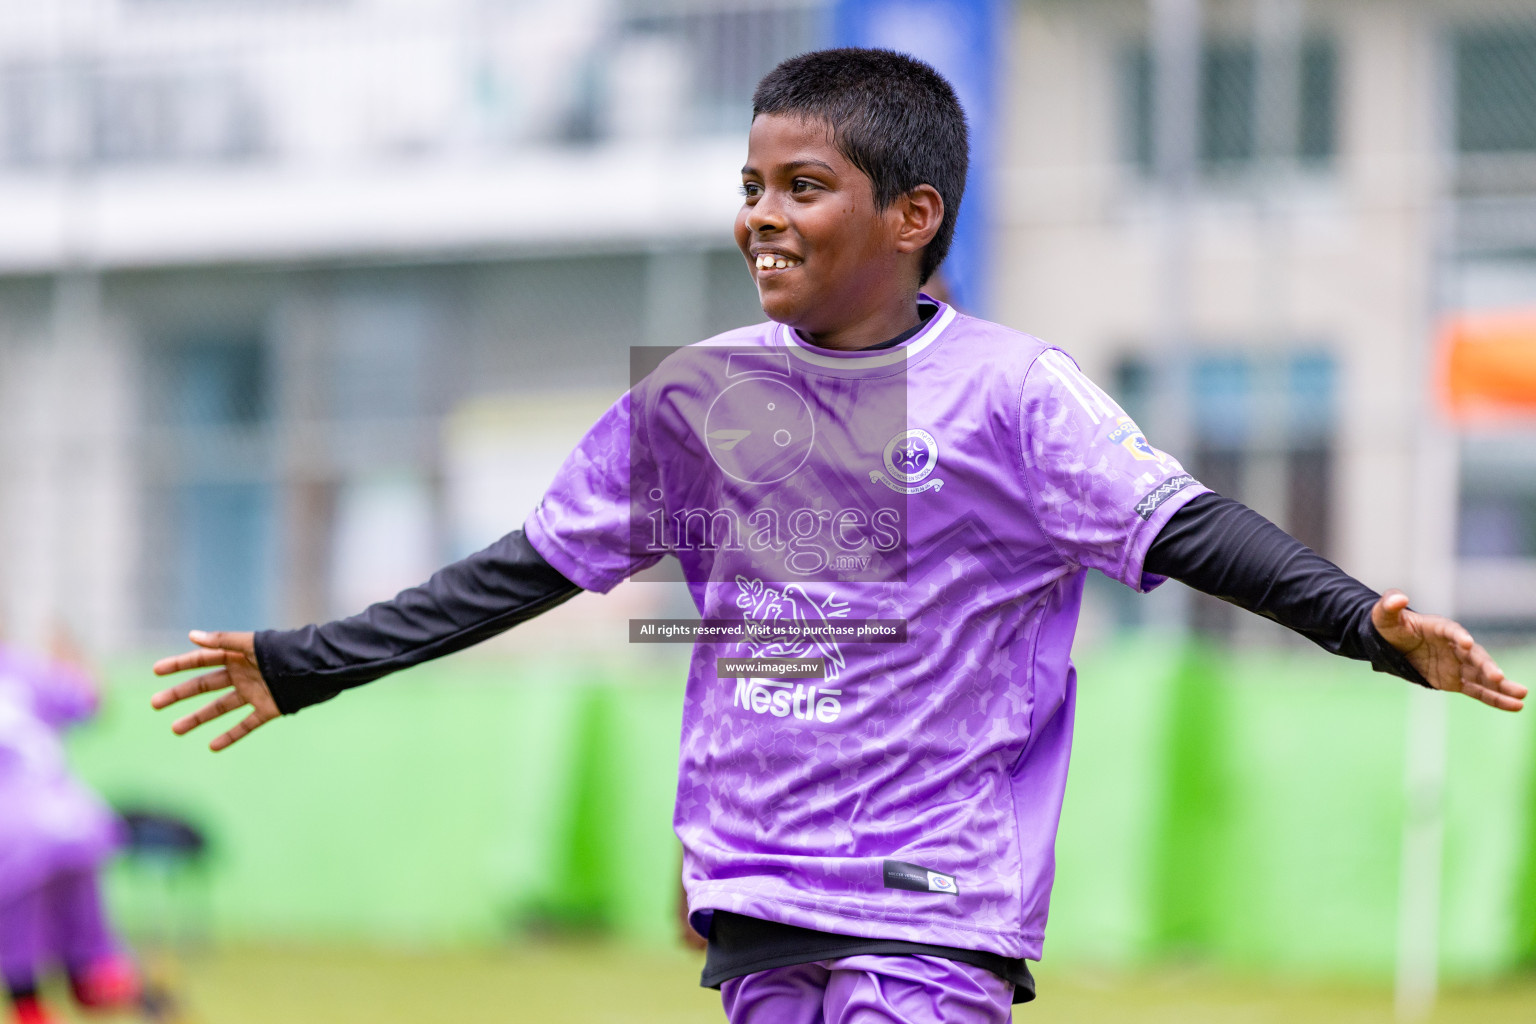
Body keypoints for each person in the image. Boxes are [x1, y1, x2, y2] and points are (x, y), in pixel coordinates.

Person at [150, 49, 1525, 1024]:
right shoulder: (699, 396)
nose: (760, 213)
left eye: (804, 185)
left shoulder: (1014, 393)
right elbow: (532, 565)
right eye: (752, 182)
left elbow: (1186, 528)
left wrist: (1364, 625)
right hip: (757, 883)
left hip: (931, 894)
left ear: (911, 216)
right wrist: (312, 659)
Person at [1, 630, 141, 1024]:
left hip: (9, 828)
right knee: (85, 937)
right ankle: (102, 979)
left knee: (14, 934)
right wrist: (74, 657)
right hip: (73, 819)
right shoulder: (28, 668)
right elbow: (90, 700)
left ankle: (32, 1005)